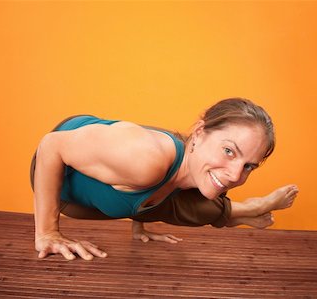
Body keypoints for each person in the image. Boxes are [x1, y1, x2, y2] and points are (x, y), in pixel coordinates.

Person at [31, 98, 299, 261]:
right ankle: (248, 209)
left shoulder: (178, 176)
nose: (235, 175)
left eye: (249, 166)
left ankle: (236, 214)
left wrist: (140, 226)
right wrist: (47, 233)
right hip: (58, 176)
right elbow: (51, 145)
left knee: (200, 202)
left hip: (119, 191)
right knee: (158, 176)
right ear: (200, 132)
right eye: (229, 151)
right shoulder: (145, 161)